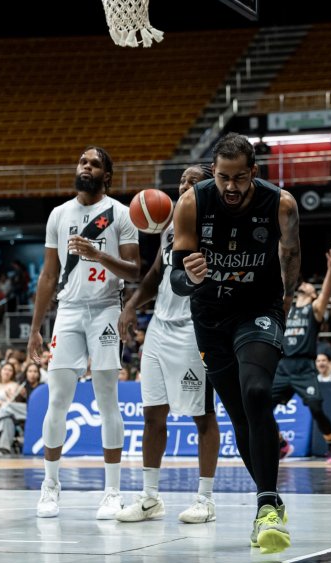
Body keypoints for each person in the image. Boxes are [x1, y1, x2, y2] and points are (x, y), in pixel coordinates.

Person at [170, 132, 299, 554]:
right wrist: (190, 275)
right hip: (210, 317)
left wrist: (286, 300)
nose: (230, 187)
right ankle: (271, 499)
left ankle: (265, 506)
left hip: (258, 309)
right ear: (214, 173)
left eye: (239, 178)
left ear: (254, 174)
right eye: (223, 177)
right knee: (240, 415)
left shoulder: (280, 203)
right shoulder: (191, 202)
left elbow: (292, 254)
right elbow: (176, 278)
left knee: (257, 391)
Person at [27, 145, 140, 519]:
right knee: (57, 398)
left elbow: (135, 271)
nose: (86, 166)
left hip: (106, 309)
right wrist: (35, 328)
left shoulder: (122, 214)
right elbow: (47, 275)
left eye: (94, 164)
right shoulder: (59, 214)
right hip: (69, 311)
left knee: (108, 399)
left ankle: (112, 492)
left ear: (106, 175)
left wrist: (99, 255)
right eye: (82, 161)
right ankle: (50, 486)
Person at [113, 164, 221, 524]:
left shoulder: (216, 226)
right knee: (152, 414)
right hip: (159, 327)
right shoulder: (169, 227)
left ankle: (205, 499)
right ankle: (150, 498)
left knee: (201, 415)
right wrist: (130, 306)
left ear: (208, 188)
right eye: (182, 181)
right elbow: (155, 275)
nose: (185, 186)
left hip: (194, 329)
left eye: (194, 181)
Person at [272, 248, 331, 463]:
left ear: (312, 294)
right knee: (259, 408)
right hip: (283, 366)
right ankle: (281, 444)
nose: (303, 285)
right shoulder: (287, 308)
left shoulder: (314, 309)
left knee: (315, 407)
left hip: (304, 367)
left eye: (306, 286)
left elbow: (327, 291)